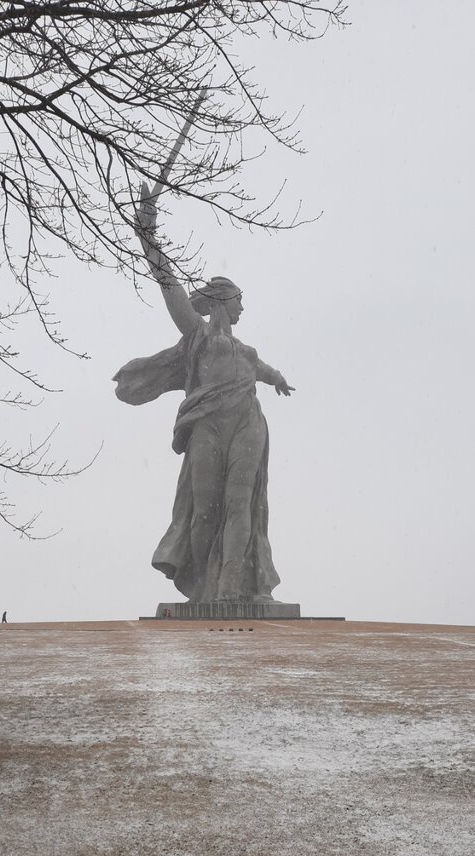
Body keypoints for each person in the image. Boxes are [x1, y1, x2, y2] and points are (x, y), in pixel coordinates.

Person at [114, 184, 294, 603]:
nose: (243, 310)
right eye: (239, 302)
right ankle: (201, 589)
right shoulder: (197, 335)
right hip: (208, 426)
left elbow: (262, 370)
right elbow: (169, 286)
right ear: (222, 301)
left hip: (247, 422)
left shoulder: (246, 351)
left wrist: (278, 377)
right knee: (203, 513)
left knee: (240, 505)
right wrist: (148, 236)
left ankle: (233, 587)